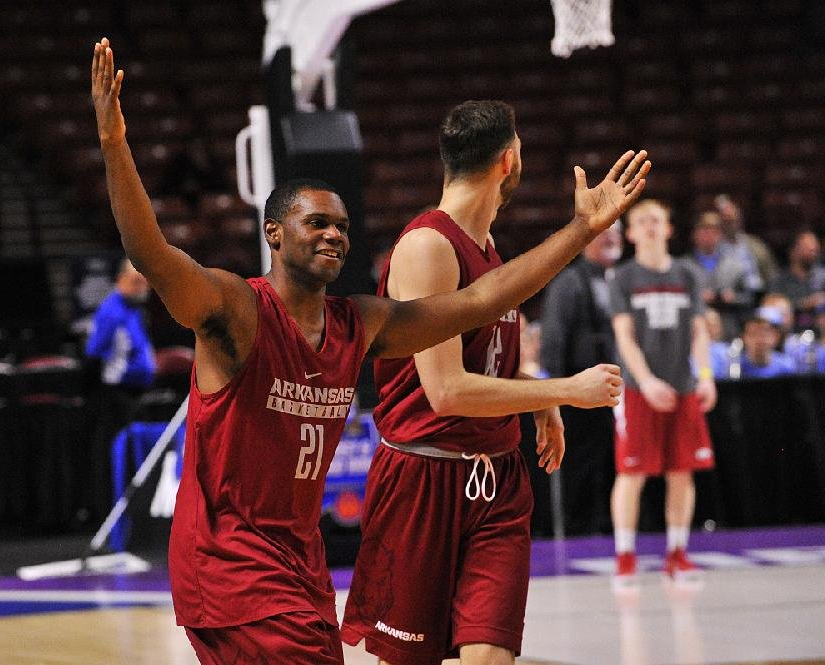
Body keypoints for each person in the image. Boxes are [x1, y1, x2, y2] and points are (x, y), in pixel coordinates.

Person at [92, 40, 649, 663]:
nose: (334, 234)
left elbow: (479, 302)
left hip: (300, 562)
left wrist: (582, 229)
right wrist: (114, 145)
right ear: (273, 234)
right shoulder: (235, 310)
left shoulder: (356, 323)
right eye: (316, 223)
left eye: (342, 226)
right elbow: (152, 254)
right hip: (231, 563)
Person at [341, 100, 640, 665]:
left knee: (491, 655)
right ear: (509, 160)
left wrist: (536, 400)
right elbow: (447, 391)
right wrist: (564, 391)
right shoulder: (428, 246)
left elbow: (486, 364)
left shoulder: (489, 250)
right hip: (422, 477)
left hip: (496, 480)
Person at [609, 199, 717, 587]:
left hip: (682, 386)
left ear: (669, 229)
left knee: (682, 471)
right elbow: (624, 337)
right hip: (639, 390)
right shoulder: (623, 278)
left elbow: (699, 331)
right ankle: (625, 556)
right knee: (631, 472)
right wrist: (646, 380)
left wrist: (705, 376)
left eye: (656, 220)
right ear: (631, 233)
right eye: (642, 221)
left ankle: (677, 553)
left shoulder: (687, 273)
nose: (650, 226)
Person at [540, 221, 623, 536]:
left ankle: (615, 530)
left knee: (617, 466)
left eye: (616, 232)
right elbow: (553, 340)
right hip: (581, 396)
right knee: (581, 468)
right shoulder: (570, 282)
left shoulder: (623, 279)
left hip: (619, 394)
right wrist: (559, 394)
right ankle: (579, 534)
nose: (611, 238)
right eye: (604, 233)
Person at [84, 258, 157, 519]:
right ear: (121, 280)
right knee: (116, 453)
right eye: (136, 281)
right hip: (116, 398)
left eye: (144, 281)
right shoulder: (111, 312)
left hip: (135, 394)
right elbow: (94, 355)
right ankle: (113, 510)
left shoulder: (134, 309)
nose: (142, 287)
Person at [686, 210, 752, 338]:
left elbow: (749, 298)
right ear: (695, 234)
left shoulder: (736, 266)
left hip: (729, 331)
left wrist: (734, 297)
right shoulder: (684, 266)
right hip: (694, 331)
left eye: (714, 231)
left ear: (721, 235)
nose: (709, 236)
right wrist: (696, 297)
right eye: (704, 231)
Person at [713, 193, 778, 294]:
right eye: (727, 221)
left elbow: (771, 274)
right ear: (720, 222)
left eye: (734, 220)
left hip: (759, 293)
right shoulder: (714, 247)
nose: (732, 225)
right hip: (731, 296)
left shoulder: (755, 244)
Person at [715, 307, 796, 379]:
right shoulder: (733, 368)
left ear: (776, 337)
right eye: (753, 333)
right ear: (744, 337)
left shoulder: (787, 367)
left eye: (764, 334)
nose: (759, 339)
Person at [768, 230, 825, 331]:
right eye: (806, 247)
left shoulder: (822, 277)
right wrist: (804, 304)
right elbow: (772, 307)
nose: (812, 251)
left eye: (815, 248)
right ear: (793, 251)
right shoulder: (779, 281)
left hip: (819, 331)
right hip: (789, 331)